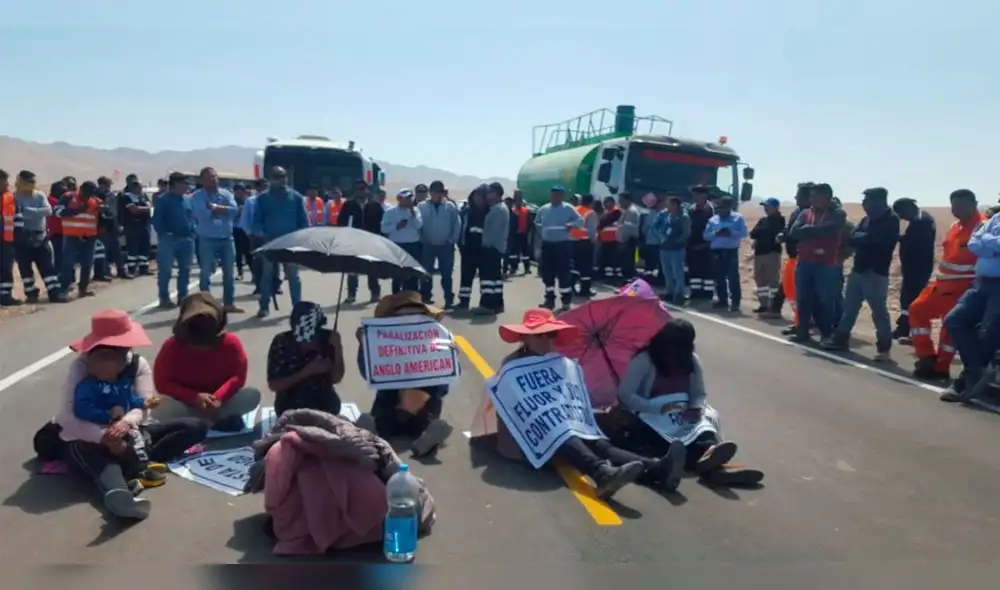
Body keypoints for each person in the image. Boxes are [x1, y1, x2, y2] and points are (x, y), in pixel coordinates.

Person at [492, 309, 682, 497]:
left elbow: (572, 397)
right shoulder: (512, 366)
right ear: (525, 337)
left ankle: (656, 469)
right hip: (529, 431)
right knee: (563, 431)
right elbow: (517, 406)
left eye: (550, 334)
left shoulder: (560, 362)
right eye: (538, 334)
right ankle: (601, 473)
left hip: (560, 421)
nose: (546, 340)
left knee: (596, 440)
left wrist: (588, 415)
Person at [49, 309, 208, 520]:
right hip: (88, 435)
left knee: (196, 426)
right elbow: (70, 417)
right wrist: (105, 436)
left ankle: (136, 460)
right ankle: (120, 496)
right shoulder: (82, 368)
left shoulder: (136, 364)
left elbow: (142, 406)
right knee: (102, 459)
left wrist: (125, 423)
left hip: (131, 430)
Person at [615, 319, 764, 487]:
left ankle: (712, 461)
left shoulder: (691, 360)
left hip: (683, 410)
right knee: (665, 439)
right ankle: (712, 469)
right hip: (652, 411)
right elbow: (625, 393)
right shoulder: (644, 360)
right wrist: (657, 407)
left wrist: (695, 408)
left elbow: (699, 393)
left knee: (705, 424)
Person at [354, 292, 454, 456]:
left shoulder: (437, 342)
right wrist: (364, 346)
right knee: (384, 421)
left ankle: (426, 438)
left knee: (422, 419)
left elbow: (442, 387)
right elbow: (368, 374)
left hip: (422, 402)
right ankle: (376, 433)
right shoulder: (383, 344)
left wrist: (417, 393)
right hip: (391, 400)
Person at [153, 292, 261, 429]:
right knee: (159, 406)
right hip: (186, 405)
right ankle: (211, 421)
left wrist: (218, 397)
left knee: (251, 395)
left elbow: (238, 377)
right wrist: (195, 397)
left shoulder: (231, 343)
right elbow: (162, 383)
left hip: (221, 403)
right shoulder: (172, 346)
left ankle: (204, 421)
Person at [909, 190, 982, 385]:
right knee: (917, 309)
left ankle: (941, 367)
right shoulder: (955, 226)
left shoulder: (982, 227)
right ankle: (926, 356)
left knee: (949, 327)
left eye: (962, 205)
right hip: (941, 284)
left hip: (963, 286)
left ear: (974, 204)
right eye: (954, 206)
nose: (957, 210)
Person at [824, 188, 900, 358]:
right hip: (858, 269)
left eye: (868, 200)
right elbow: (853, 237)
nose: (865, 204)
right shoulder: (867, 219)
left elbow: (876, 240)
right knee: (849, 308)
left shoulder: (890, 219)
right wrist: (863, 238)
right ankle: (840, 340)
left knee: (878, 311)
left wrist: (863, 238)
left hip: (876, 272)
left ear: (880, 201)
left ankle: (884, 348)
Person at [940, 190, 1000, 402]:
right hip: (982, 282)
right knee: (954, 320)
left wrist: (986, 242)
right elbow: (974, 243)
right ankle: (976, 370)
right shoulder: (994, 220)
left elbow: (983, 242)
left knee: (989, 331)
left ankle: (968, 379)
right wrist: (991, 244)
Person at [787, 183, 847, 343]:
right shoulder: (806, 213)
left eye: (814, 195)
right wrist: (815, 231)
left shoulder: (837, 213)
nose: (811, 199)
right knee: (803, 299)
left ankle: (826, 334)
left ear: (825, 197)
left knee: (825, 300)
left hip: (826, 264)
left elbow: (831, 230)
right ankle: (802, 332)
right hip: (805, 262)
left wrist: (808, 230)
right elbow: (794, 232)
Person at [266, 301, 345, 417]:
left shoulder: (329, 339)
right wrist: (307, 372)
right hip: (290, 403)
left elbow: (337, 378)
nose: (307, 343)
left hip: (325, 403)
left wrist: (338, 349)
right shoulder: (281, 341)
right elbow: (274, 385)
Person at [252, 166, 310, 317]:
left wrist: (299, 238)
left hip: (290, 245)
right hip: (270, 244)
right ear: (270, 179)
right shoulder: (262, 199)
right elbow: (256, 222)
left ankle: (297, 308)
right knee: (267, 276)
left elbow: (304, 222)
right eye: (277, 176)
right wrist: (262, 235)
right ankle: (264, 306)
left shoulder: (296, 197)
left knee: (293, 277)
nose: (281, 179)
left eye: (283, 176)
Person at [191, 167, 242, 314]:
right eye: (209, 177)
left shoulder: (226, 193)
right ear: (202, 180)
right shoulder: (197, 196)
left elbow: (234, 211)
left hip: (227, 238)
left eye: (214, 176)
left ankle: (229, 303)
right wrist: (222, 209)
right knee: (205, 274)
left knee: (229, 273)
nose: (213, 180)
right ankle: (205, 306)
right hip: (207, 239)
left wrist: (216, 208)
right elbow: (201, 214)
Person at [11, 170, 63, 303]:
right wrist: (34, 212)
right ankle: (31, 294)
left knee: (47, 266)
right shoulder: (14, 197)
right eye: (29, 182)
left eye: (34, 182)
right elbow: (15, 215)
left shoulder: (39, 195)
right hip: (21, 238)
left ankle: (54, 293)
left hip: (40, 237)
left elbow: (47, 211)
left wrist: (27, 211)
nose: (32, 184)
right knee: (25, 269)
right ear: (21, 182)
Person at [891, 198, 936, 340]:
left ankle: (908, 329)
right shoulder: (920, 219)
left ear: (909, 208)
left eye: (902, 213)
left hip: (918, 268)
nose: (902, 218)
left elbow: (916, 243)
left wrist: (898, 238)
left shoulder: (923, 221)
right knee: (908, 298)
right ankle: (906, 327)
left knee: (911, 299)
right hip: (913, 267)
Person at [152, 172, 196, 309]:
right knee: (165, 271)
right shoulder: (163, 200)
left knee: (185, 270)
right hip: (169, 240)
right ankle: (164, 299)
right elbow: (157, 220)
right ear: (175, 184)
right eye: (184, 183)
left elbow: (191, 217)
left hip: (187, 239)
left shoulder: (187, 199)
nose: (187, 186)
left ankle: (183, 298)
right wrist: (166, 233)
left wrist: (193, 231)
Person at [336, 179, 384, 304]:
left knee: (372, 269)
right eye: (358, 189)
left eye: (363, 188)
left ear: (367, 190)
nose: (360, 191)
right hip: (353, 242)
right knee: (352, 269)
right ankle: (351, 294)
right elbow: (341, 222)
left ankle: (375, 293)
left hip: (371, 241)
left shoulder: (375, 206)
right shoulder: (348, 205)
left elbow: (382, 224)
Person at [535, 186, 582, 311]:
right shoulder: (543, 209)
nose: (555, 197)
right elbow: (537, 223)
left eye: (558, 194)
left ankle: (566, 301)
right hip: (547, 245)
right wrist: (543, 234)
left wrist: (571, 224)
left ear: (562, 196)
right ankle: (549, 300)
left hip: (562, 246)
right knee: (547, 273)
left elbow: (580, 221)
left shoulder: (568, 208)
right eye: (553, 194)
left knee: (564, 273)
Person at [775, 183, 813, 329]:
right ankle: (799, 321)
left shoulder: (812, 214)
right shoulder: (797, 212)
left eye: (799, 195)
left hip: (803, 257)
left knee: (800, 292)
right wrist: (782, 234)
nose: (796, 198)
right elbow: (789, 229)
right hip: (792, 257)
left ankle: (803, 323)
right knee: (790, 290)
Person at [418, 180, 461, 307]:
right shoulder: (422, 206)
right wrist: (421, 239)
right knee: (426, 273)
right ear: (431, 192)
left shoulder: (450, 207)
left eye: (442, 191)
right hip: (428, 245)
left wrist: (452, 240)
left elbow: (456, 224)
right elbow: (417, 224)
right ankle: (425, 297)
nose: (440, 194)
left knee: (446, 274)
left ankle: (449, 298)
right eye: (437, 191)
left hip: (445, 246)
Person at [703, 196, 748, 312]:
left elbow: (744, 233)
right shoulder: (713, 220)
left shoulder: (738, 218)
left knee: (733, 277)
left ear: (729, 207)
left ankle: (735, 302)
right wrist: (716, 233)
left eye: (722, 207)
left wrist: (731, 232)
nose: (720, 210)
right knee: (719, 277)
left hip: (731, 251)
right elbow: (706, 236)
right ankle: (722, 300)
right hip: (716, 251)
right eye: (718, 207)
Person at [474, 182, 509, 315]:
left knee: (488, 278)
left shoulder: (497, 210)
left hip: (491, 248)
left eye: (490, 193)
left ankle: (487, 305)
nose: (487, 196)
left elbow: (493, 232)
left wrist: (485, 245)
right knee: (495, 278)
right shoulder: (499, 208)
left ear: (496, 194)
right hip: (496, 248)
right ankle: (497, 304)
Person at [381, 189, 424, 294]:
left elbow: (419, 225)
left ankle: (412, 296)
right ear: (399, 199)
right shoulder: (390, 212)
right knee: (398, 274)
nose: (408, 200)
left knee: (413, 273)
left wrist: (413, 215)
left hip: (413, 245)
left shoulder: (416, 211)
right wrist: (396, 227)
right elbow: (383, 228)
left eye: (410, 198)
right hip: (398, 246)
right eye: (406, 198)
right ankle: (397, 297)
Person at [749, 198, 786, 315]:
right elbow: (753, 233)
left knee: (772, 280)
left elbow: (770, 232)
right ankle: (763, 304)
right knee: (760, 280)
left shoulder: (780, 220)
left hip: (772, 253)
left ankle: (773, 306)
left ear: (776, 207)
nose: (765, 208)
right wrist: (762, 232)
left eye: (768, 206)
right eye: (765, 206)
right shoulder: (763, 220)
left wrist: (761, 232)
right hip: (759, 253)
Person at [652, 195, 690, 303]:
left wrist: (677, 241)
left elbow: (686, 233)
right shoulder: (665, 215)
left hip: (676, 249)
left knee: (677, 272)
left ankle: (679, 294)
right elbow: (656, 227)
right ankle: (670, 292)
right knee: (667, 272)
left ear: (675, 205)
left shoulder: (683, 217)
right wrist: (661, 237)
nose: (667, 206)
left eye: (669, 204)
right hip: (664, 248)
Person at [456, 186, 489, 310]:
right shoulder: (466, 211)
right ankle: (463, 301)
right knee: (466, 277)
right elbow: (461, 228)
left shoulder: (489, 212)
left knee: (485, 278)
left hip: (484, 250)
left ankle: (484, 303)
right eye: (476, 196)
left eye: (481, 196)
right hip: (468, 249)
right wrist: (460, 244)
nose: (478, 199)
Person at [685, 186, 716, 300]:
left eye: (697, 195)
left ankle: (708, 293)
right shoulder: (690, 209)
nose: (695, 197)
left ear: (705, 196)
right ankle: (695, 292)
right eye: (694, 195)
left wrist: (708, 243)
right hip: (692, 245)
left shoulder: (712, 210)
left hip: (708, 246)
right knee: (694, 270)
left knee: (708, 271)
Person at [121, 178, 153, 277]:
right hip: (133, 226)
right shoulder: (127, 197)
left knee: (145, 247)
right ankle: (132, 269)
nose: (141, 189)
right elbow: (134, 210)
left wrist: (144, 208)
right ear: (133, 188)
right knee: (133, 248)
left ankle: (144, 268)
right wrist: (146, 208)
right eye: (139, 187)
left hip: (144, 225)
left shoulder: (143, 197)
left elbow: (150, 206)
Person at [570, 193, 598, 297]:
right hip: (585, 243)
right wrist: (594, 240)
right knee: (586, 267)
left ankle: (571, 287)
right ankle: (585, 290)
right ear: (591, 202)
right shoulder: (590, 213)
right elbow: (591, 231)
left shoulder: (574, 210)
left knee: (574, 266)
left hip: (572, 242)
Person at [0, 169, 19, 306]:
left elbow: (17, 217)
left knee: (6, 268)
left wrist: (19, 234)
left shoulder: (10, 198)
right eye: (4, 181)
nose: (7, 184)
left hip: (7, 240)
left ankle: (5, 296)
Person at [505, 190, 534, 276]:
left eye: (520, 200)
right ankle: (513, 268)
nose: (518, 202)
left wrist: (527, 231)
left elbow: (530, 222)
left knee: (525, 252)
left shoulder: (526, 211)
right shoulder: (512, 211)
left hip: (523, 234)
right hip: (514, 235)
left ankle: (527, 268)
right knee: (513, 253)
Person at [615, 192, 640, 281]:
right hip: (625, 240)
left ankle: (628, 279)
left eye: (622, 200)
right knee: (624, 261)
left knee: (628, 262)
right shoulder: (626, 211)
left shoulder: (632, 211)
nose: (620, 203)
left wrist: (621, 225)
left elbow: (631, 227)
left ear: (628, 200)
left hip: (628, 240)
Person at [596, 197, 621, 280]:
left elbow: (605, 223)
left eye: (607, 202)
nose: (605, 204)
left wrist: (600, 227)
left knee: (612, 257)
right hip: (605, 238)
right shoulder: (606, 212)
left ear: (612, 203)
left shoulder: (616, 212)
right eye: (605, 203)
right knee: (605, 257)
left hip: (613, 238)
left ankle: (613, 274)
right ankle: (606, 273)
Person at [232, 184, 252, 281]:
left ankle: (254, 274)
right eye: (238, 191)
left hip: (246, 230)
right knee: (238, 253)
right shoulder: (231, 201)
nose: (240, 193)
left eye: (242, 191)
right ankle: (240, 272)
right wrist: (237, 211)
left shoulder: (248, 201)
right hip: (236, 229)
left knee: (249, 253)